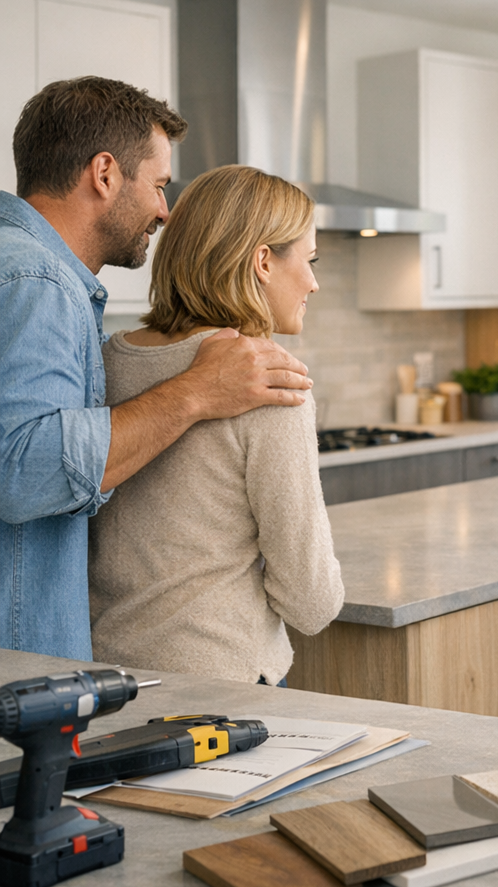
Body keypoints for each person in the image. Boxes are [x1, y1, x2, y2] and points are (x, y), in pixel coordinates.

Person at [0, 77, 312, 661]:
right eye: (159, 185)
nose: (165, 211)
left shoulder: (30, 275)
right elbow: (20, 472)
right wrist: (195, 391)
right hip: (21, 663)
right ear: (104, 174)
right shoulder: (35, 283)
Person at [89, 165, 344, 685]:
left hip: (105, 671)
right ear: (263, 262)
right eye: (310, 260)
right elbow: (311, 601)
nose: (314, 283)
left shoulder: (108, 360)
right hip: (222, 684)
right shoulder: (266, 378)